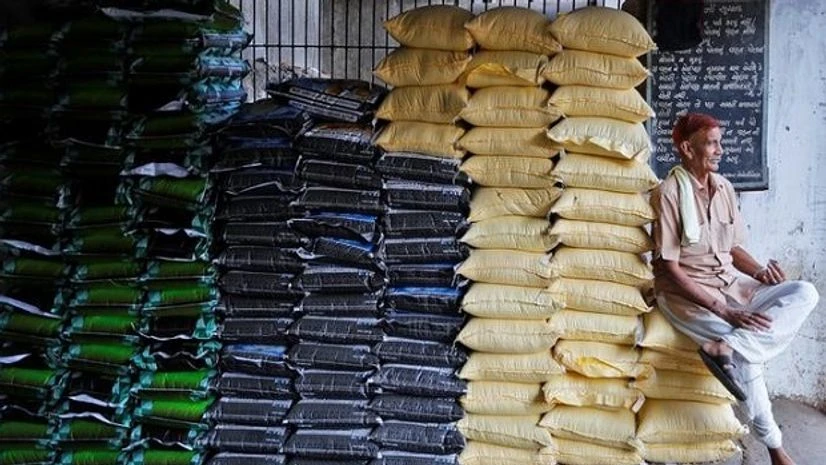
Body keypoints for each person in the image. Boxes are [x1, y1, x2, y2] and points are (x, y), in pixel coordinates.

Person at [650, 112, 819, 465]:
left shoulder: (724, 187)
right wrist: (723, 311)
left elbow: (733, 249)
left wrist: (759, 272)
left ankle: (725, 346)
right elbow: (669, 267)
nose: (720, 150)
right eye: (711, 143)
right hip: (689, 296)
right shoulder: (668, 193)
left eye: (719, 142)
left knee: (805, 293)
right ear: (686, 148)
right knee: (747, 360)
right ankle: (776, 449)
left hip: (735, 285)